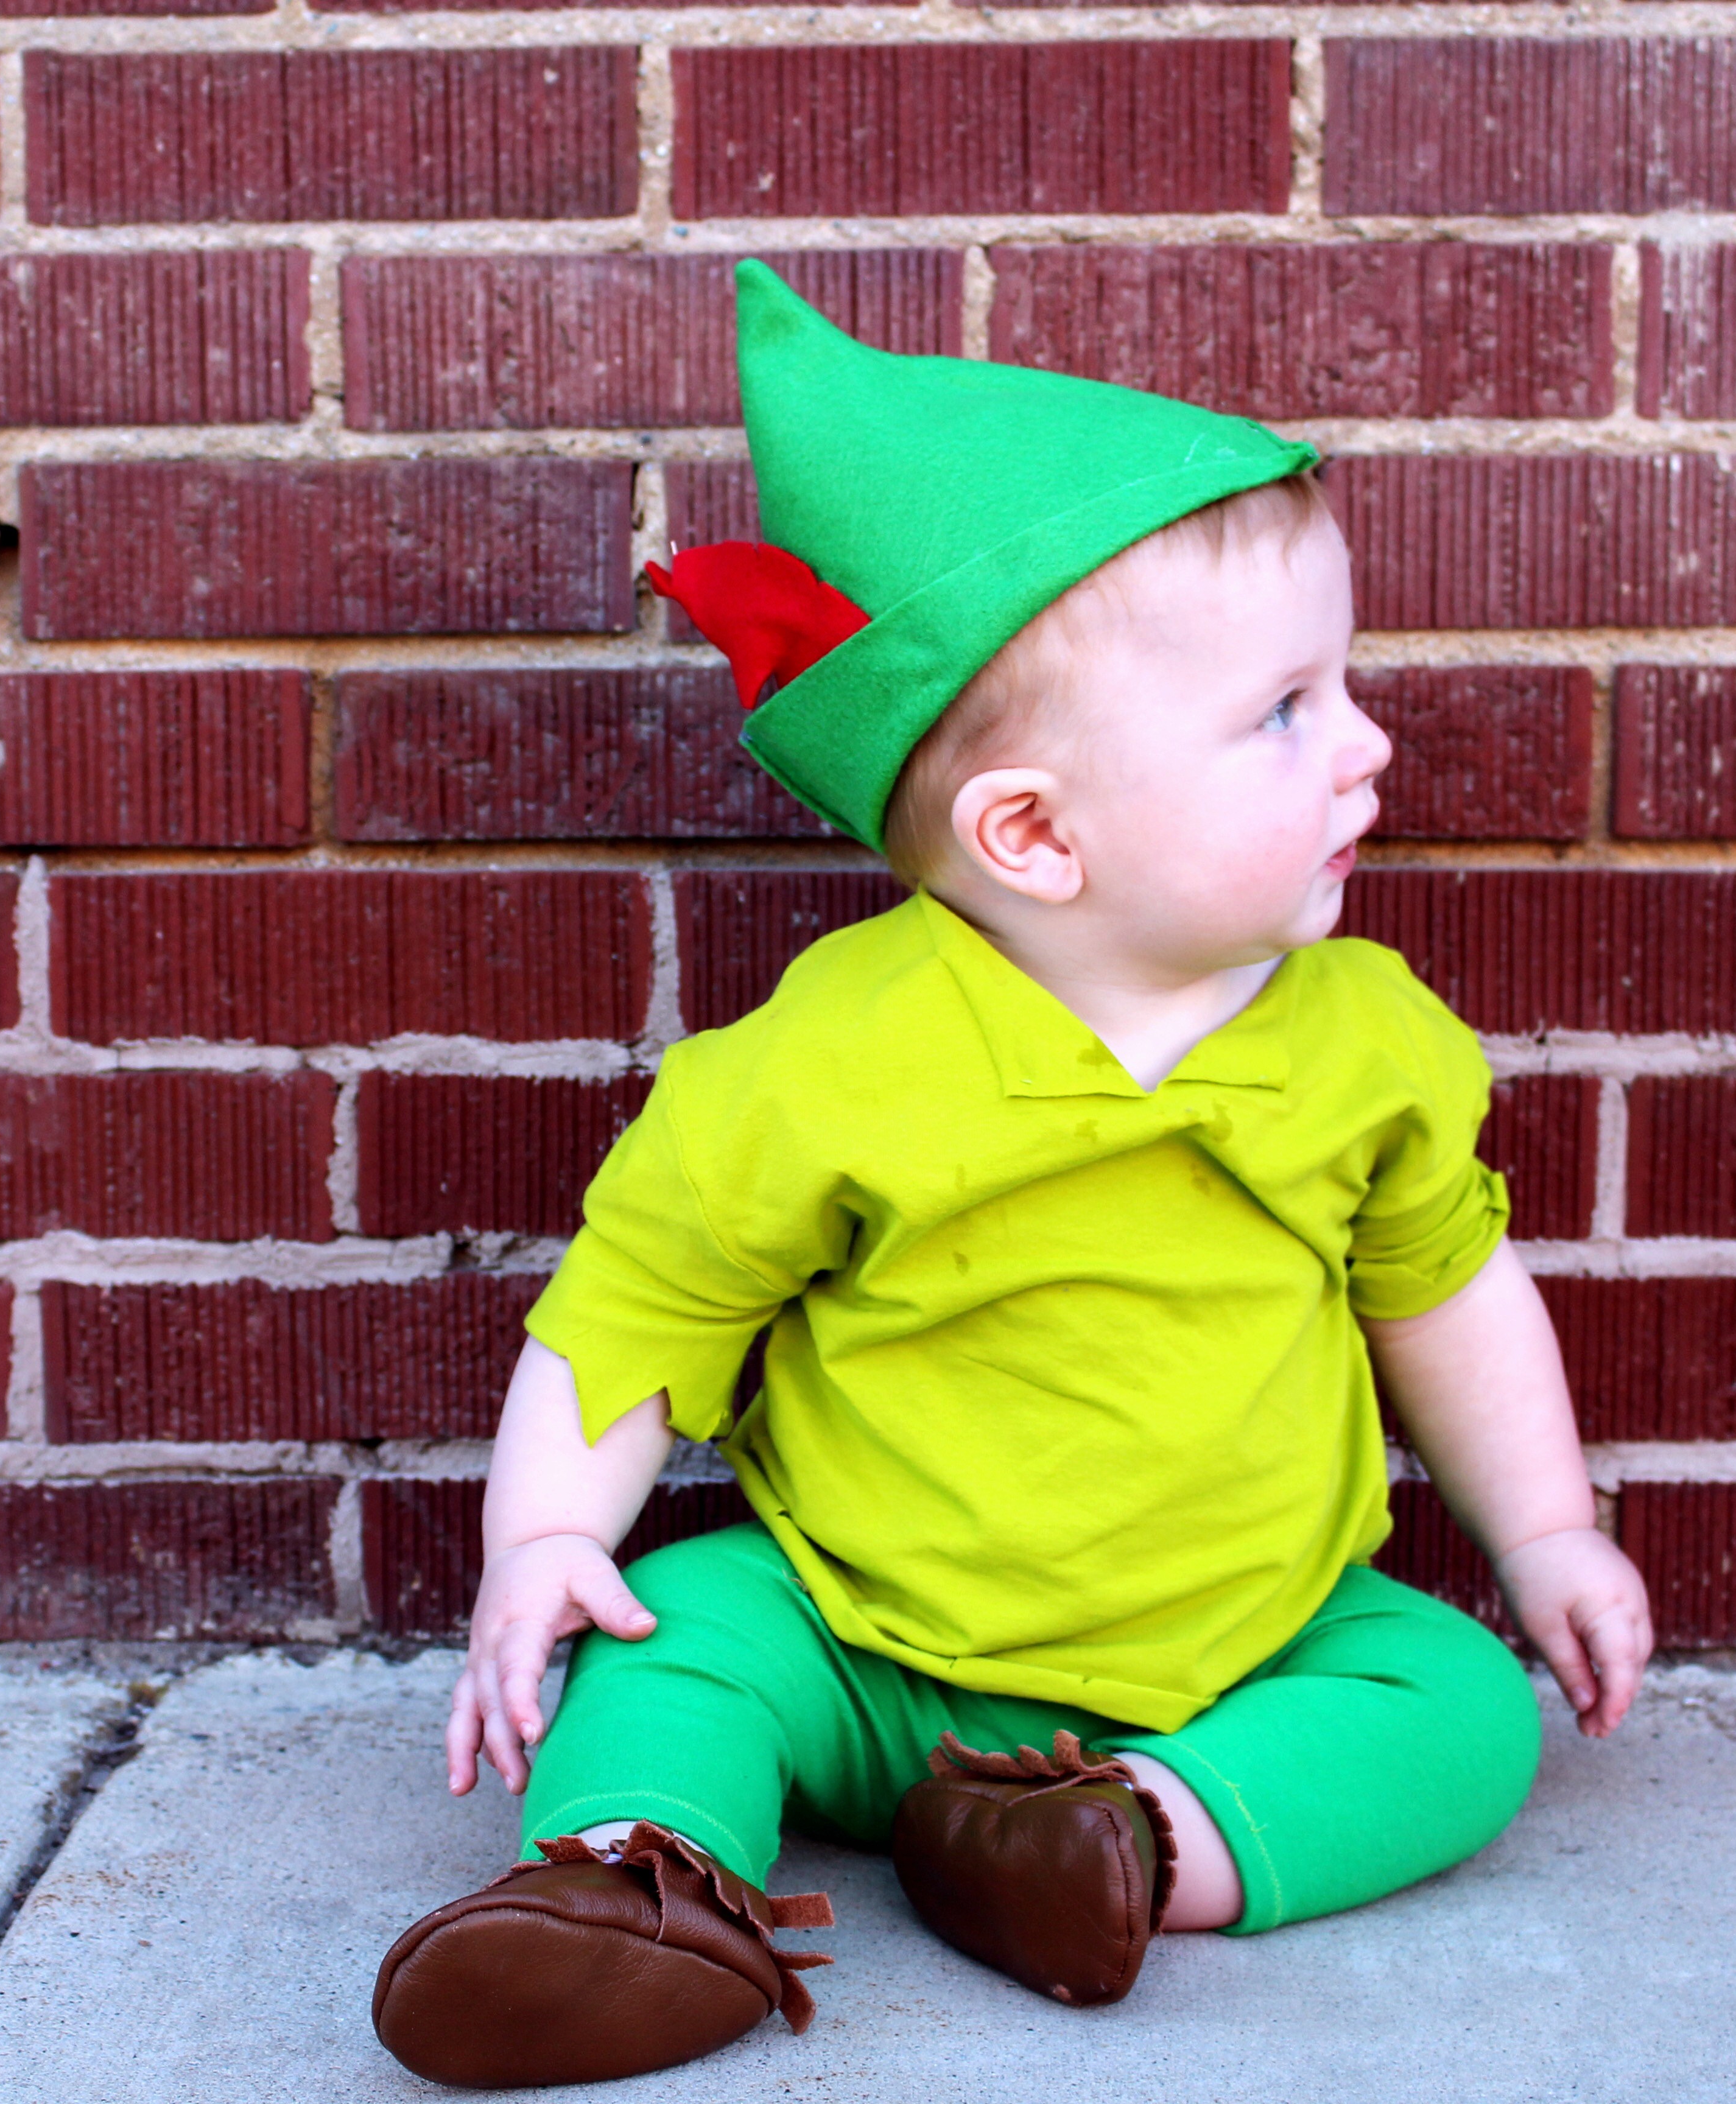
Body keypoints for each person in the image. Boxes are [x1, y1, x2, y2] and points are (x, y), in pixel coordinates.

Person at [368, 261, 1656, 2091]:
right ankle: (635, 1890)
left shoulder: (1363, 1039)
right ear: (1034, 834)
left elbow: (1443, 1287)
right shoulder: (836, 1057)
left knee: (1454, 1707)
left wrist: (1544, 1536)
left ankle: (1113, 1846)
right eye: (1288, 709)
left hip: (1242, 1647)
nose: (1369, 742)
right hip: (864, 1638)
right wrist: (550, 1539)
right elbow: (646, 1302)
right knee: (681, 1643)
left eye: (1341, 683)